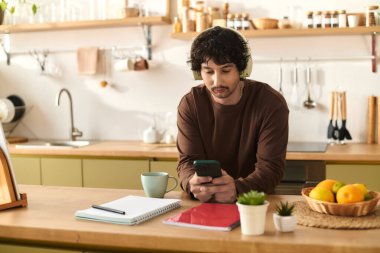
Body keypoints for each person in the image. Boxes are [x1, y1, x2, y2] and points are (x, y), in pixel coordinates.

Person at [176, 26, 289, 204]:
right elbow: (187, 163)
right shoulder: (190, 104)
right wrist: (192, 183)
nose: (217, 81)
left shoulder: (270, 103)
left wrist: (236, 189)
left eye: (226, 70)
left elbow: (271, 169)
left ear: (241, 69)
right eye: (209, 71)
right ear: (199, 72)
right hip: (204, 204)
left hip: (254, 203)